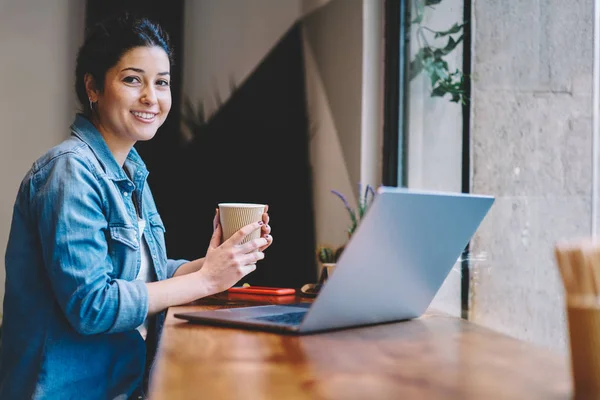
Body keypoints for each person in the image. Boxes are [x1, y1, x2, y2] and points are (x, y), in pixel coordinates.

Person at [0, 12, 273, 400]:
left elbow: (145, 274)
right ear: (92, 87)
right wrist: (205, 281)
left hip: (122, 387)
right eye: (132, 79)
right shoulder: (69, 171)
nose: (151, 97)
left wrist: (217, 263)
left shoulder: (130, 170)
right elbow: (92, 306)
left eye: (161, 83)